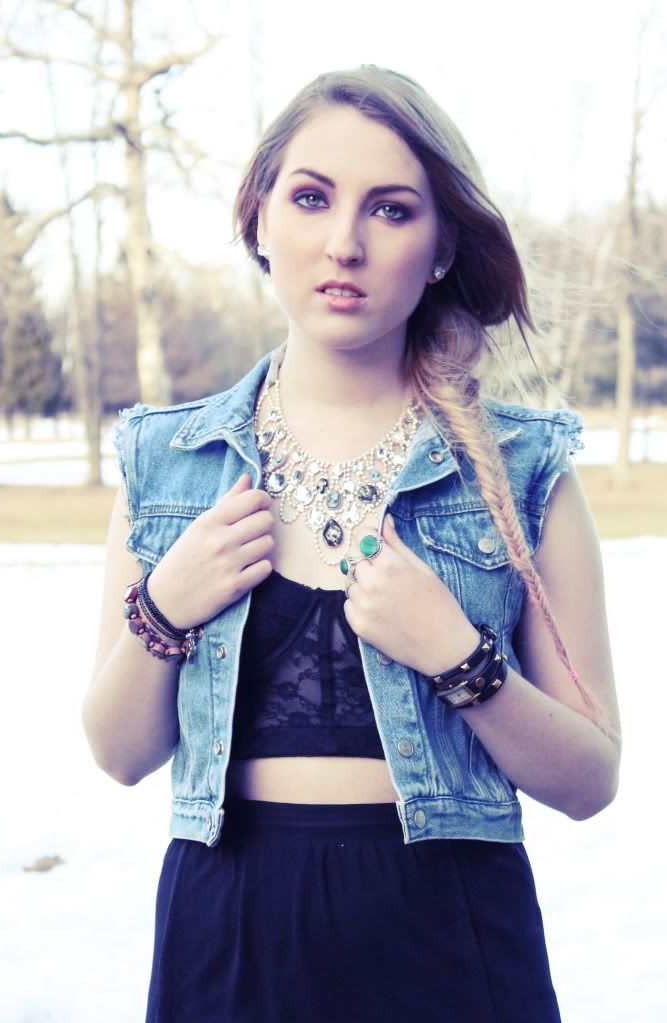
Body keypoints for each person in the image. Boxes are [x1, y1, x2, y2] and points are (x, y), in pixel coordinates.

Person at [82, 66, 621, 1022]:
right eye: (310, 197)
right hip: (227, 941)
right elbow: (120, 753)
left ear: (442, 246)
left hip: (450, 939)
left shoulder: (522, 471)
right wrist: (164, 607)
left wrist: (461, 659)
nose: (344, 242)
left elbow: (589, 779)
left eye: (391, 209)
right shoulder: (166, 462)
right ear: (258, 219)